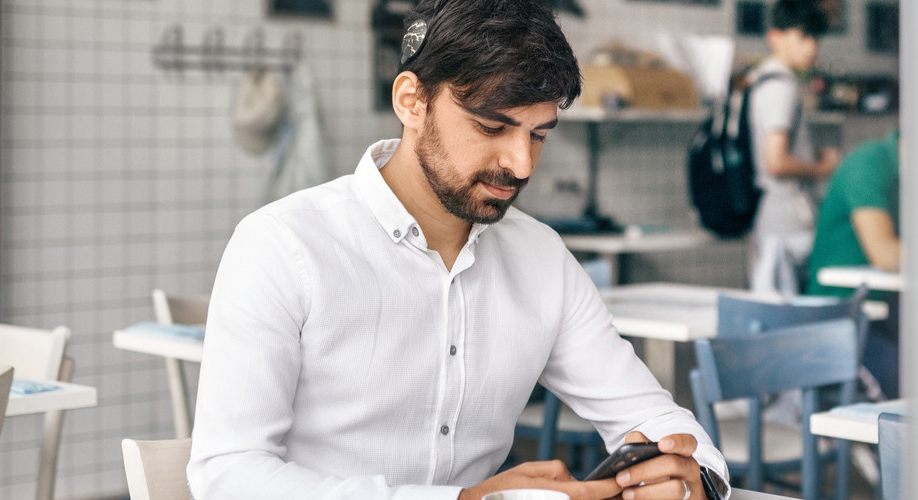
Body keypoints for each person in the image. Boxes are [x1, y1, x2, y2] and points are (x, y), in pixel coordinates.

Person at [187, 2, 729, 500]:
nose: (521, 164)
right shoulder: (282, 246)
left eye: (539, 134)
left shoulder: (541, 257)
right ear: (411, 101)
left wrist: (690, 478)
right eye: (492, 127)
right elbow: (228, 473)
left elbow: (651, 415)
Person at [745, 0, 839, 297]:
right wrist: (821, 168)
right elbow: (776, 161)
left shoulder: (759, 80)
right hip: (784, 223)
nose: (811, 47)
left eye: (815, 38)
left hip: (770, 221)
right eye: (802, 37)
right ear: (775, 37)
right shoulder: (781, 86)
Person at [805, 131, 900, 400]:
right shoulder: (867, 164)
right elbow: (885, 253)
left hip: (885, 310)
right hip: (840, 317)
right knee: (907, 375)